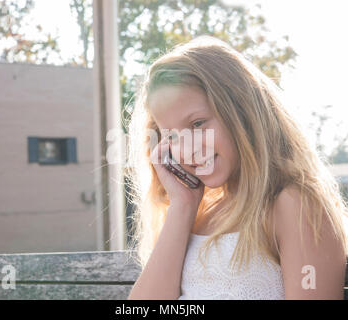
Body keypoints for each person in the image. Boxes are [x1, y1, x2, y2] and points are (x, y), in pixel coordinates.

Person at [125, 35, 348, 300]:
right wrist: (182, 205)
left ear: (242, 112)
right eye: (171, 135)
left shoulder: (293, 205)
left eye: (197, 124)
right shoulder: (195, 214)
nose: (187, 149)